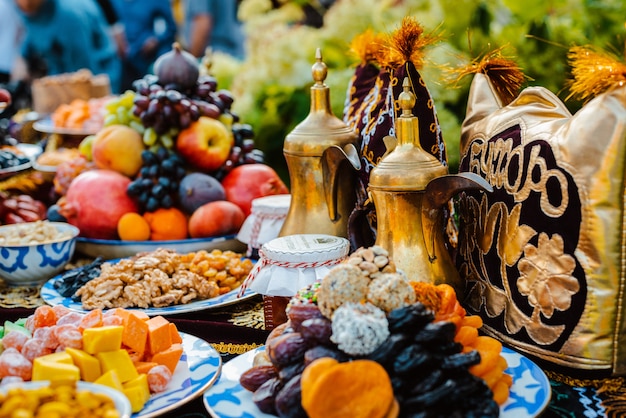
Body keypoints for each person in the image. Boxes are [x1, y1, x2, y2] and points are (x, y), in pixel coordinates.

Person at [14, 0, 122, 93]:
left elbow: (82, 73)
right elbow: (33, 33)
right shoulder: (33, 10)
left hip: (94, 78)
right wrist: (22, 57)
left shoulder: (69, 14)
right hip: (64, 80)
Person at [110, 0, 177, 91]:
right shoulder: (113, 2)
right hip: (122, 61)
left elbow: (171, 27)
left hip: (146, 59)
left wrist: (156, 39)